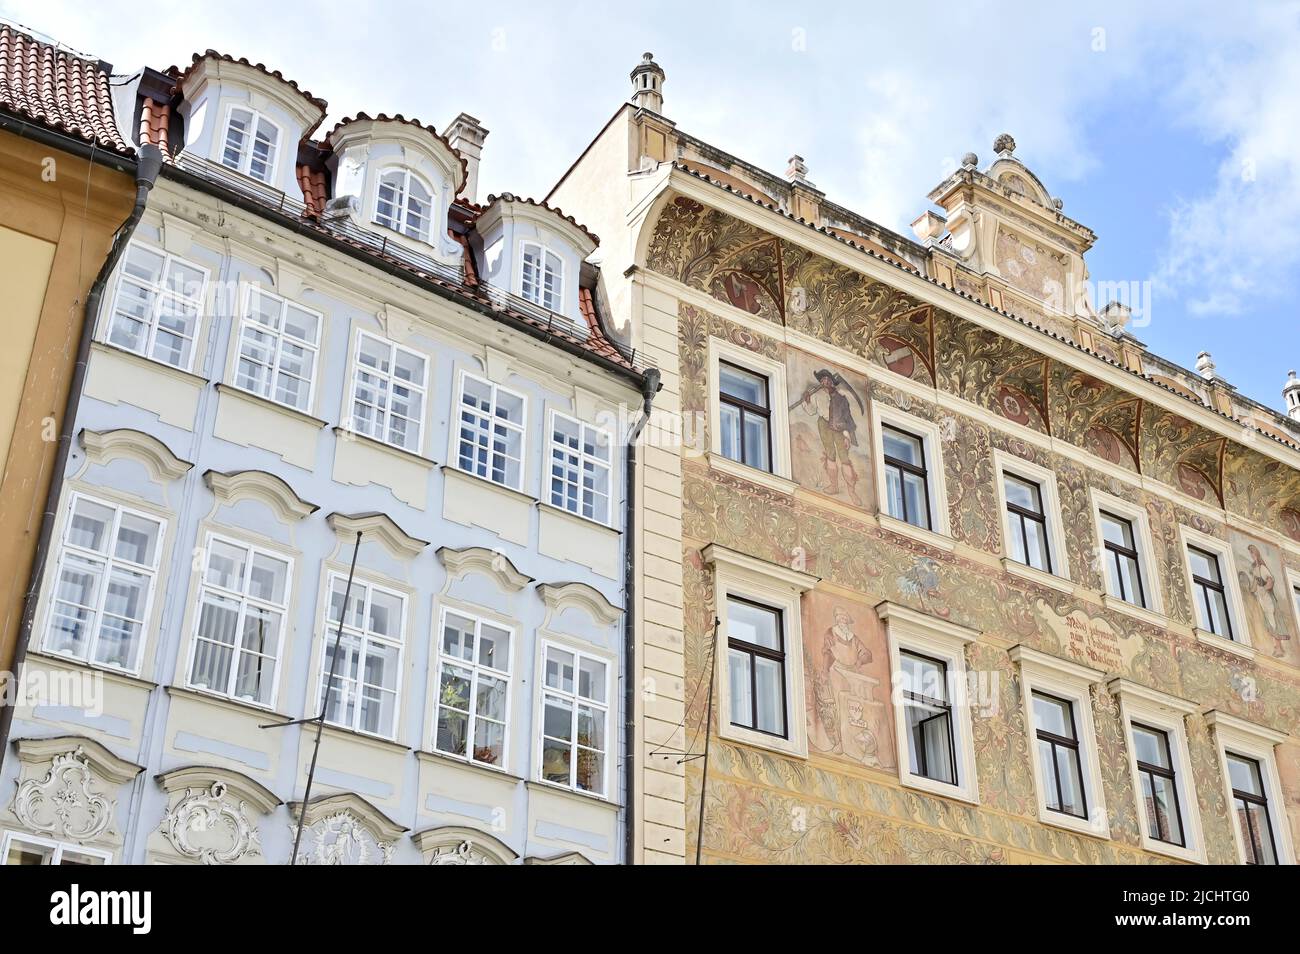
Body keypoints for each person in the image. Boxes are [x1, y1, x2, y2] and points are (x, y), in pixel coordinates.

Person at [795, 369, 865, 504]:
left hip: (839, 428)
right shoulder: (816, 395)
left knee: (844, 458)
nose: (824, 382)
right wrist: (807, 401)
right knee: (830, 455)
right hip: (824, 425)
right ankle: (834, 486)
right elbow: (811, 412)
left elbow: (847, 418)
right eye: (821, 380)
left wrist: (847, 436)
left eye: (826, 379)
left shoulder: (841, 398)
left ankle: (852, 492)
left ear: (832, 381)